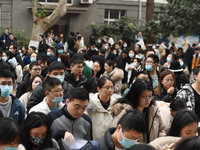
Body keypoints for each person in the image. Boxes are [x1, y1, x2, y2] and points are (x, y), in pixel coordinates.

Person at [80, 110, 147, 150]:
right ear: (119, 128)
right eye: (131, 137)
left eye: (136, 138)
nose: (133, 142)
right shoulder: (94, 147)